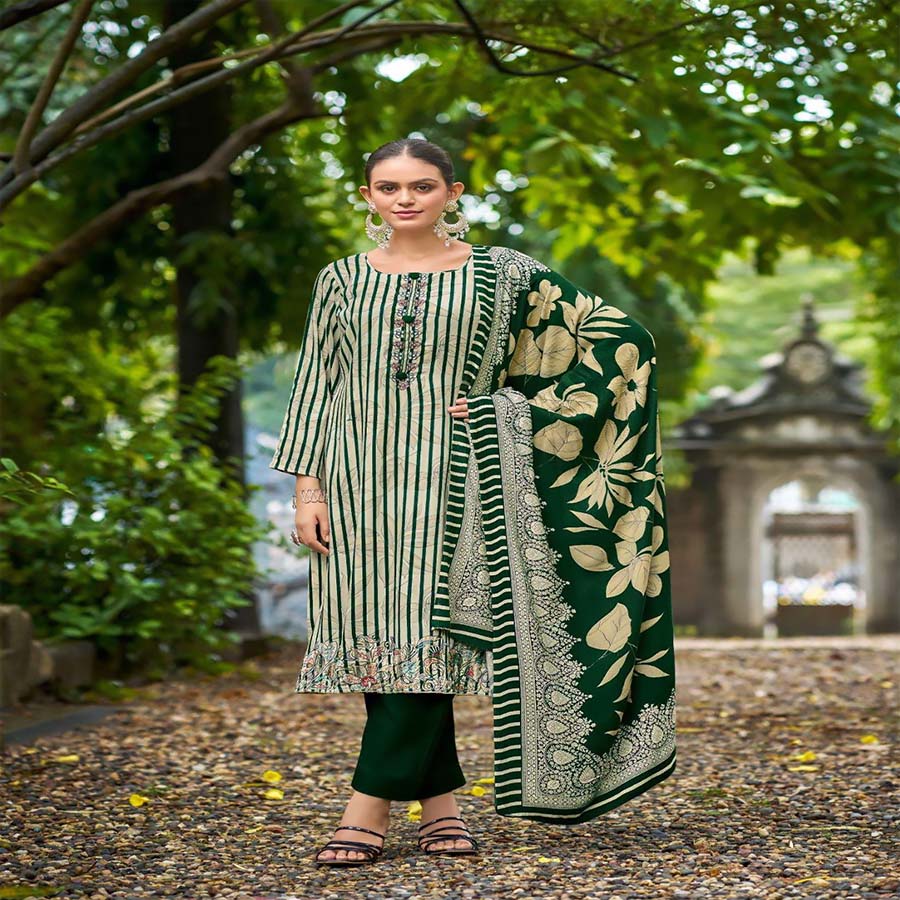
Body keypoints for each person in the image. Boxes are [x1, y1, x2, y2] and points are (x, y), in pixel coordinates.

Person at [270, 138, 676, 867]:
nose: (404, 199)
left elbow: (620, 340)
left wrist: (510, 412)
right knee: (380, 644)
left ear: (452, 192)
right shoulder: (340, 280)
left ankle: (365, 809)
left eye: (421, 186)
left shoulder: (503, 275)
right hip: (356, 482)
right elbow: (317, 382)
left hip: (460, 481)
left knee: (429, 643)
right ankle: (442, 809)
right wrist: (307, 486)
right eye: (388, 186)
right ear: (367, 196)